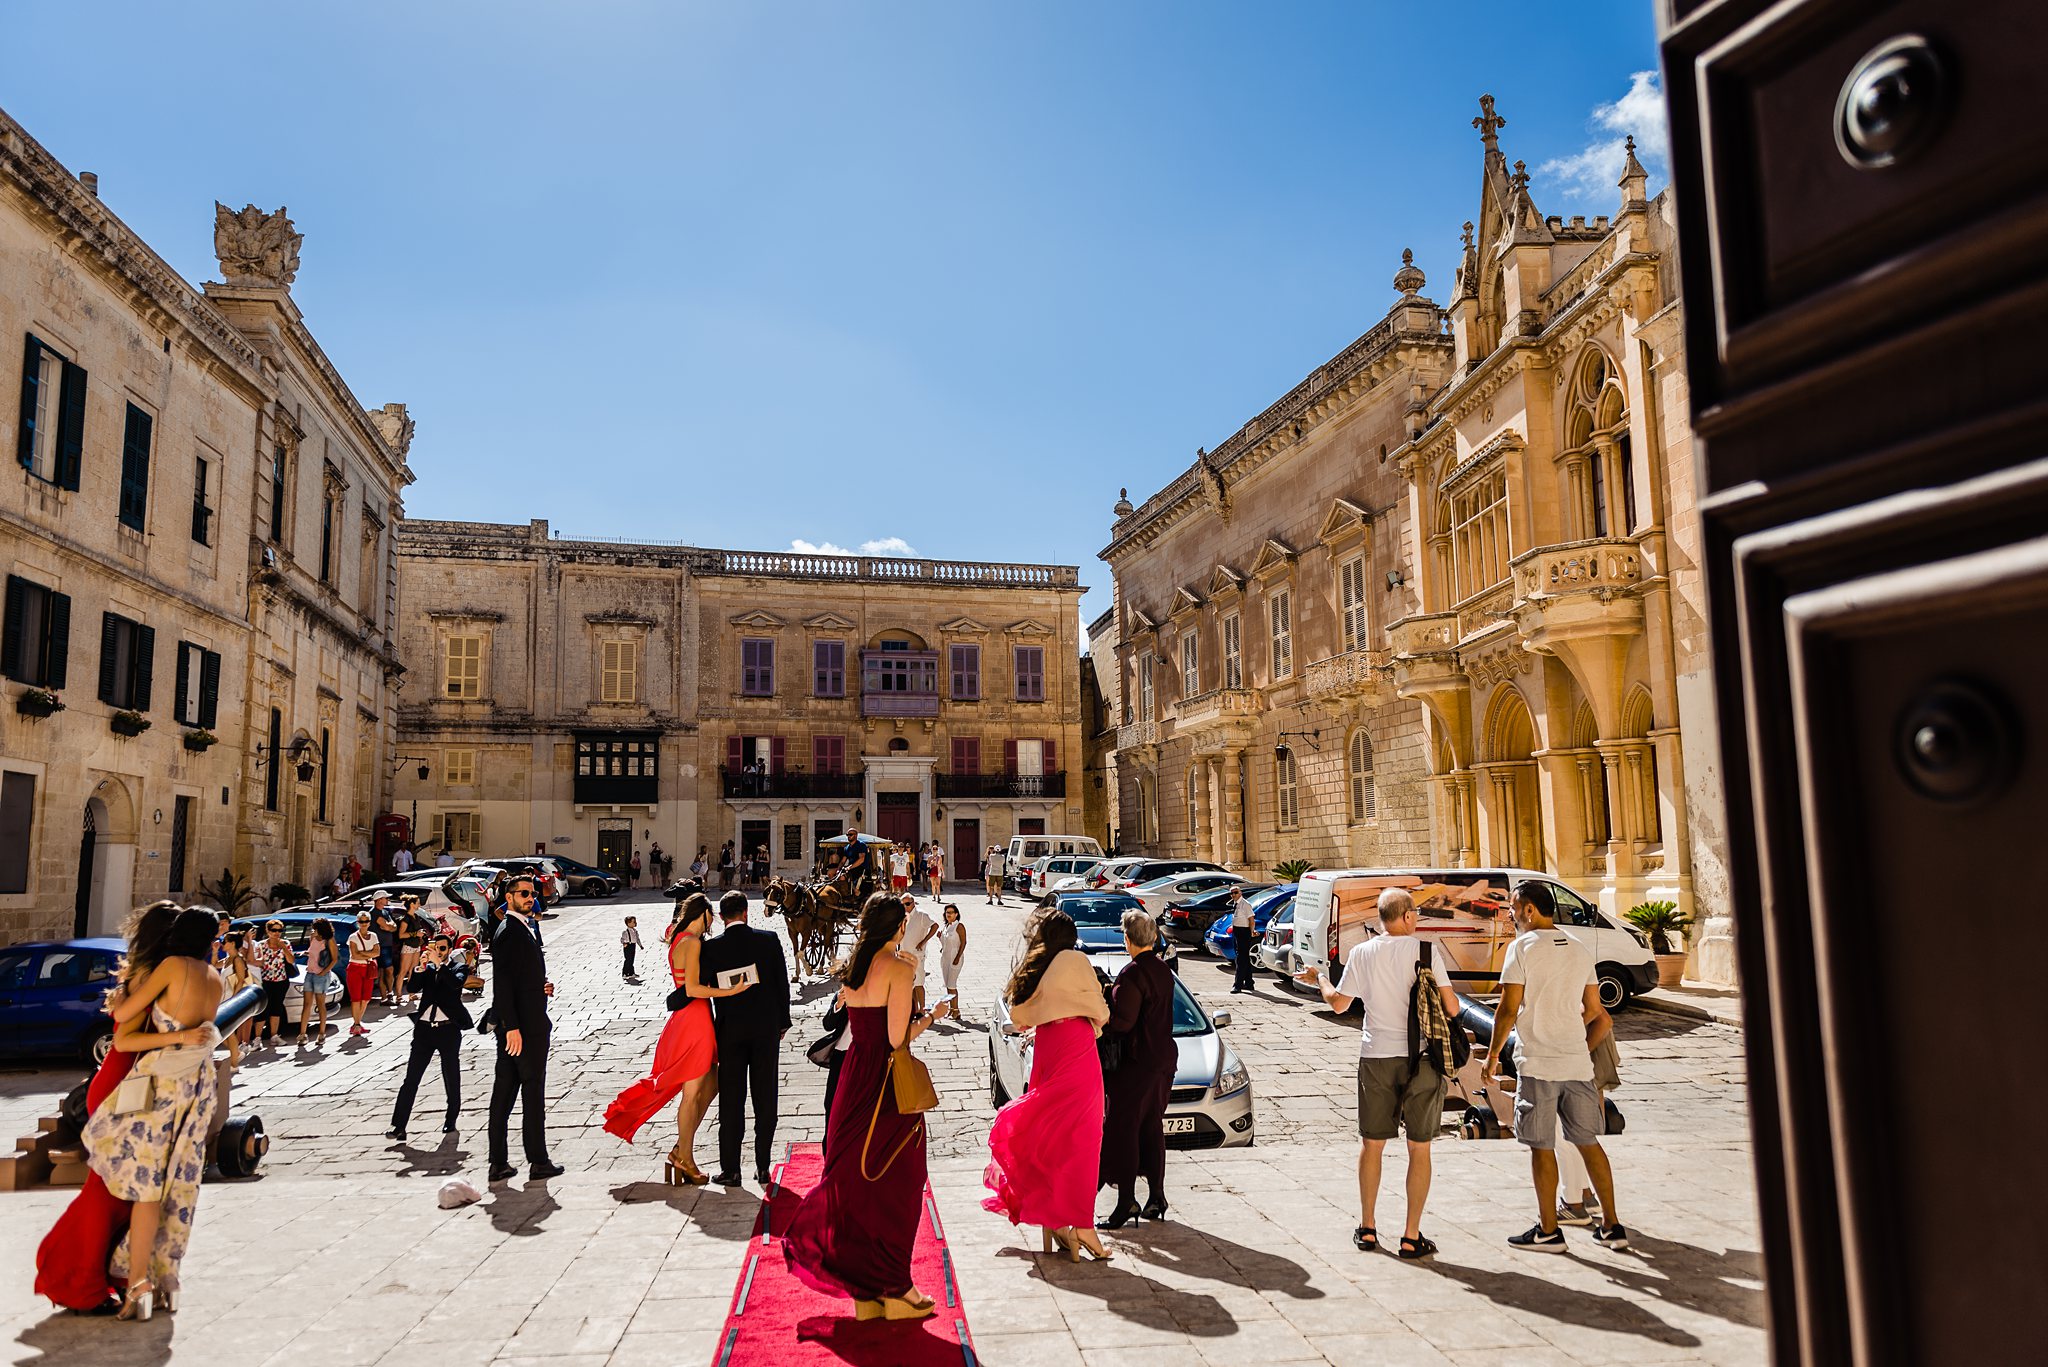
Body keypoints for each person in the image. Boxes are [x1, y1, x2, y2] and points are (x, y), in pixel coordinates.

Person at [784, 894, 951, 1321]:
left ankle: (867, 1293)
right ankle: (897, 1289)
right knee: (901, 1180)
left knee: (855, 1180)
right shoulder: (897, 968)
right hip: (883, 1081)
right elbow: (896, 1039)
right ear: (897, 929)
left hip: (853, 1076)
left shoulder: (852, 968)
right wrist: (930, 1016)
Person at [34, 902, 183, 1314]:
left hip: (124, 1083)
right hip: (122, 1088)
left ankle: (109, 1276)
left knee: (125, 1195)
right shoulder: (151, 977)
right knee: (109, 1194)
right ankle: (75, 1281)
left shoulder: (152, 972)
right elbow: (123, 1041)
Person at [1296, 886, 1460, 1260]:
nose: (1416, 918)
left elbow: (1339, 1005)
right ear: (1405, 916)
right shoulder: (1425, 951)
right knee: (1420, 1148)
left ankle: (1367, 1228)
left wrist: (1318, 979)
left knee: (1372, 1145)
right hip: (1420, 1059)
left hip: (1376, 1058)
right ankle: (1410, 1236)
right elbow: (1451, 1007)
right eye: (1414, 913)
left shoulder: (1361, 953)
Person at [79, 906, 223, 1320]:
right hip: (196, 1089)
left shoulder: (172, 966)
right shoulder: (214, 979)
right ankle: (168, 1280)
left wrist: (123, 990)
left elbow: (123, 1020)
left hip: (161, 1086)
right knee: (180, 1189)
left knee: (147, 1189)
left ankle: (138, 1283)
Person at [1488, 879, 1627, 1252]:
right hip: (1577, 1064)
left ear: (1529, 910)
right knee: (1588, 1142)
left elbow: (1506, 1010)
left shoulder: (1521, 949)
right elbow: (1597, 1013)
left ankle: (1548, 1231)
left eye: (1514, 908)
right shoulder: (1579, 949)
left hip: (1538, 1064)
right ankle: (1613, 1226)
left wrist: (1490, 1058)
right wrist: (1574, 1041)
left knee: (1541, 1145)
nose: (1511, 914)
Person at [984, 909, 1113, 1262]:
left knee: (1049, 1136)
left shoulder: (1036, 966)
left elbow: (1020, 1015)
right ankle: (1081, 1226)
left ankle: (1056, 1223)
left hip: (1048, 1046)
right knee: (1084, 1141)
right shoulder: (1076, 960)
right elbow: (1101, 1012)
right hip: (1078, 1046)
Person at [602, 894, 745, 1183]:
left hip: (689, 1018)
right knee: (692, 1094)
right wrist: (730, 992)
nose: (712, 923)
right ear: (703, 913)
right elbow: (692, 988)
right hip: (695, 1019)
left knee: (712, 1083)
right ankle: (685, 1159)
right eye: (711, 917)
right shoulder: (691, 942)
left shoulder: (678, 937)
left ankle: (682, 1147)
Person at [700, 889, 793, 1186]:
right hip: (765, 1030)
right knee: (766, 1097)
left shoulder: (711, 948)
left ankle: (731, 1169)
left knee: (731, 1100)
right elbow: (782, 983)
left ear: (722, 916)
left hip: (730, 1031)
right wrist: (782, 1022)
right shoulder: (768, 941)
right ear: (745, 913)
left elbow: (703, 987)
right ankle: (763, 1166)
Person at [1099, 908, 1177, 1229]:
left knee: (1124, 1130)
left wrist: (1103, 1007)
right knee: (1151, 1126)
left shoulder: (1131, 975)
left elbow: (1122, 1023)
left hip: (1136, 1064)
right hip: (1162, 1060)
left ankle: (1126, 1200)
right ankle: (1156, 1196)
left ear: (1128, 940)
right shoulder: (1163, 970)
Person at [486, 877, 564, 1184]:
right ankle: (538, 1160)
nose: (530, 898)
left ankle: (499, 1162)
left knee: (504, 1094)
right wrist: (512, 1028)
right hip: (523, 1029)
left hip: (523, 1021)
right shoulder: (509, 931)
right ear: (509, 897)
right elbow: (502, 984)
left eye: (533, 893)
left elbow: (519, 977)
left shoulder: (522, 927)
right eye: (523, 894)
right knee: (531, 1093)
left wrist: (539, 987)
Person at [386, 934, 474, 1142]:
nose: (439, 952)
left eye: (443, 948)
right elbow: (413, 988)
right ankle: (399, 1126)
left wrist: (439, 965)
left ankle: (450, 1119)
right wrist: (420, 968)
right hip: (424, 1030)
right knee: (411, 1079)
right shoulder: (429, 969)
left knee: (450, 1075)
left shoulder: (457, 967)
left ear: (450, 949)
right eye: (437, 947)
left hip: (447, 1030)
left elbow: (455, 985)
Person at [252, 919, 295, 1044]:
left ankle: (274, 1035)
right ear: (268, 931)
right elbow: (257, 962)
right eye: (274, 930)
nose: (276, 933)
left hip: (281, 980)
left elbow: (291, 961)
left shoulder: (285, 943)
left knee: (277, 1008)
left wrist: (284, 948)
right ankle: (257, 1038)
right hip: (265, 981)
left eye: (279, 930)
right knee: (263, 1009)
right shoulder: (261, 945)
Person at [299, 917, 337, 1045]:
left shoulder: (329, 940)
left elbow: (334, 959)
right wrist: (305, 953)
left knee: (320, 1004)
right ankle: (303, 1034)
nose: (313, 930)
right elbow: (312, 952)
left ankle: (321, 1033)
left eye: (315, 928)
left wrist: (324, 972)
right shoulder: (312, 938)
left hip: (321, 975)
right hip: (310, 973)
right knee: (307, 1004)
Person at [901, 893, 938, 1009]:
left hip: (917, 955)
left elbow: (935, 926)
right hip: (904, 955)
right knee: (909, 984)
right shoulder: (902, 916)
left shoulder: (921, 915)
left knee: (919, 983)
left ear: (913, 903)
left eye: (907, 904)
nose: (905, 906)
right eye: (902, 904)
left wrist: (923, 941)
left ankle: (922, 1009)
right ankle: (915, 1009)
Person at [346, 913, 380, 1035]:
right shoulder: (353, 937)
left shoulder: (374, 936)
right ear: (358, 922)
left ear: (369, 922)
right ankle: (356, 1025)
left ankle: (357, 1023)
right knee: (356, 998)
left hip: (368, 968)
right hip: (355, 968)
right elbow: (355, 955)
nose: (364, 924)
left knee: (366, 998)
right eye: (361, 921)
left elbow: (377, 953)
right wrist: (370, 953)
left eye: (366, 921)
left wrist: (363, 953)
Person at [395, 898, 425, 1006]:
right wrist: (415, 934)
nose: (419, 904)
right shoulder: (406, 919)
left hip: (416, 946)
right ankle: (398, 996)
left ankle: (411, 993)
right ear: (412, 904)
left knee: (413, 970)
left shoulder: (416, 917)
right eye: (418, 902)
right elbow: (401, 934)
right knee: (403, 971)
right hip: (408, 946)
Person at [938, 904, 967, 1014]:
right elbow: (945, 943)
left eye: (951, 912)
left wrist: (958, 957)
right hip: (945, 958)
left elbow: (963, 942)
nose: (948, 914)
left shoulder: (959, 926)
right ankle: (951, 1008)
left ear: (956, 914)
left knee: (952, 984)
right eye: (947, 913)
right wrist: (940, 938)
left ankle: (956, 1010)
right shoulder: (946, 927)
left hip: (955, 957)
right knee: (947, 985)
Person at [372, 893, 400, 1005]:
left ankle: (389, 993)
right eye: (386, 898)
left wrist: (389, 926)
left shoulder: (385, 912)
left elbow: (393, 927)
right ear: (379, 900)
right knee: (382, 972)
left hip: (388, 945)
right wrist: (389, 926)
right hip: (380, 946)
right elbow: (387, 926)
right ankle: (384, 998)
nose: (388, 899)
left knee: (389, 970)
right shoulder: (374, 913)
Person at [1228, 887, 1257, 993]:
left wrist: (1251, 932)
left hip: (1243, 933)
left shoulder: (1245, 904)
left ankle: (1238, 985)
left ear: (1240, 893)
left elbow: (1251, 920)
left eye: (1235, 893)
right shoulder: (1235, 904)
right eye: (1231, 893)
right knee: (1244, 958)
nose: (1233, 895)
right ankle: (1249, 983)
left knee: (1240, 959)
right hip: (1237, 932)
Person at [621, 915, 643, 981]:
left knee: (632, 960)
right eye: (633, 922)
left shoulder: (635, 931)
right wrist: (624, 943)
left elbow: (637, 939)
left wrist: (640, 945)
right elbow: (622, 939)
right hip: (628, 945)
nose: (635, 923)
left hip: (633, 945)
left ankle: (631, 973)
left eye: (635, 922)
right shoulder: (625, 932)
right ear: (628, 923)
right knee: (628, 959)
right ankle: (625, 973)